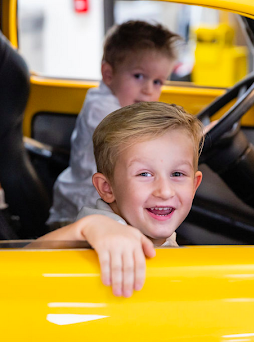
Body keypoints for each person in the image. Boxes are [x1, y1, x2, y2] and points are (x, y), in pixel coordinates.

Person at [37, 102, 204, 298]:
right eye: (144, 174)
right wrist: (86, 229)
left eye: (177, 173)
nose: (165, 191)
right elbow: (22, 261)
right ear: (107, 188)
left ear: (194, 185)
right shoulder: (101, 230)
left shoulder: (157, 234)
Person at [47, 20, 181, 228]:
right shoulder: (102, 109)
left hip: (106, 205)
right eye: (138, 76)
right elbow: (141, 142)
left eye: (157, 82)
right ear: (108, 74)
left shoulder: (123, 104)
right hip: (78, 215)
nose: (148, 90)